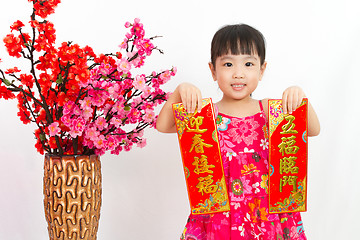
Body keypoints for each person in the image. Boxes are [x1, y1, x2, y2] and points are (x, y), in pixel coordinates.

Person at [156, 24, 320, 240]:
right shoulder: (204, 116)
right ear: (213, 70)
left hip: (268, 215)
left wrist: (299, 98)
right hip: (220, 215)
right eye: (228, 64)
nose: (238, 73)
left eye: (249, 64)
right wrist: (179, 91)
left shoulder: (272, 111)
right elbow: (163, 125)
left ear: (262, 70)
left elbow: (313, 130)